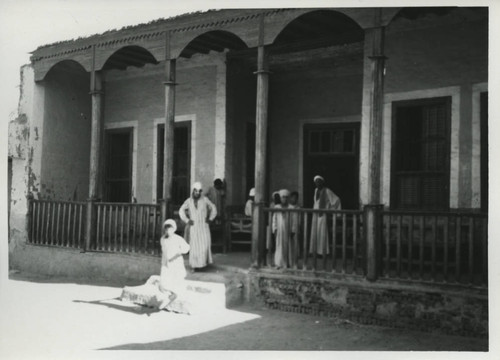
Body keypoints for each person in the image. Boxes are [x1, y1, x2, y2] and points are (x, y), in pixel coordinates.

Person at [179, 182, 217, 271]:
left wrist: (210, 219)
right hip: (194, 226)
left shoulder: (205, 200)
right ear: (193, 191)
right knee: (195, 246)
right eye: (195, 191)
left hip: (204, 226)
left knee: (204, 245)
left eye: (199, 191)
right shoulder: (188, 201)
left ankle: (202, 265)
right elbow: (181, 210)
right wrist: (187, 220)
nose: (197, 193)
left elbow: (214, 208)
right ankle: (195, 266)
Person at [159, 219, 191, 303]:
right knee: (163, 282)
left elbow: (186, 248)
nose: (168, 231)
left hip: (176, 262)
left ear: (174, 229)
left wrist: (178, 252)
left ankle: (174, 294)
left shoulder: (178, 238)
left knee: (176, 279)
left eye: (170, 229)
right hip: (166, 262)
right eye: (166, 229)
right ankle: (171, 294)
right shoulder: (163, 239)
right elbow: (164, 250)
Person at [309, 175, 341, 256]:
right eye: (316, 182)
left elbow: (337, 200)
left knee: (322, 232)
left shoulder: (327, 191)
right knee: (315, 231)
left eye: (319, 181)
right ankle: (314, 251)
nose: (317, 183)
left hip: (322, 214)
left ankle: (322, 252)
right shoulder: (315, 190)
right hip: (315, 214)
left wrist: (330, 209)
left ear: (322, 182)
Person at [272, 189, 297, 268]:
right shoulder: (277, 207)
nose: (285, 199)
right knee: (279, 246)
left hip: (288, 230)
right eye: (283, 197)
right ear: (280, 198)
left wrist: (293, 230)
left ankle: (288, 263)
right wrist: (275, 229)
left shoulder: (291, 208)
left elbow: (294, 220)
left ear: (288, 198)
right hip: (279, 231)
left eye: (286, 197)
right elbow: (274, 219)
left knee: (288, 246)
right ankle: (279, 263)